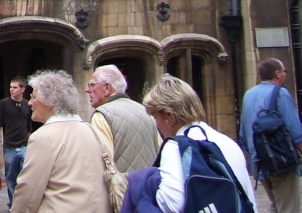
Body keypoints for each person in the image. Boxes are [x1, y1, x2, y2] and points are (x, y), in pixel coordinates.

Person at [144, 73, 256, 213]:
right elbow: (247, 198)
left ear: (169, 116)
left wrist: (144, 190)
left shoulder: (176, 147)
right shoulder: (227, 142)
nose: (156, 125)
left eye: (155, 117)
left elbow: (171, 204)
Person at [9, 69, 110, 213]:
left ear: (50, 102)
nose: (30, 102)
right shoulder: (91, 130)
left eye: (33, 96)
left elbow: (29, 191)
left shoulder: (43, 137)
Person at [240, 58, 302, 212]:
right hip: (281, 161)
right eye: (284, 71)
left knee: (276, 205)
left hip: (259, 163)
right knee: (289, 208)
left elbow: (243, 135)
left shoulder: (248, 95)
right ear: (277, 73)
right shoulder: (281, 93)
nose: (285, 74)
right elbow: (296, 132)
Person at [86, 65, 160, 174]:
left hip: (122, 184)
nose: (87, 90)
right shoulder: (145, 112)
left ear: (107, 88)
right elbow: (159, 151)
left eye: (92, 85)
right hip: (150, 183)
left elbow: (100, 164)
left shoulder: (101, 116)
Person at [0, 75, 32, 210]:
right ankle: (13, 204)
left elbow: (29, 127)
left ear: (22, 89)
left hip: (24, 145)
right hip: (10, 147)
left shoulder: (27, 105)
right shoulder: (4, 103)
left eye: (15, 87)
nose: (11, 90)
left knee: (25, 177)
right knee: (11, 177)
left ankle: (24, 204)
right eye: (10, 87)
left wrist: (30, 143)